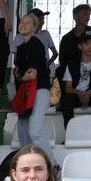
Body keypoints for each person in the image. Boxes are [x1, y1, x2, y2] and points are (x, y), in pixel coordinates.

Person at [13, 13, 54, 161]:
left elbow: (31, 73)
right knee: (23, 133)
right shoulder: (20, 47)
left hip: (39, 90)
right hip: (25, 92)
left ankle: (52, 164)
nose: (23, 24)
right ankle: (31, 162)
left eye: (27, 23)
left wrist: (21, 77)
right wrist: (21, 77)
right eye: (21, 22)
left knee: (34, 131)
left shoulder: (36, 44)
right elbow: (18, 73)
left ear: (35, 27)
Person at [60, 31, 91, 127]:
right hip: (76, 95)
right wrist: (79, 93)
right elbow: (68, 88)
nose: (90, 47)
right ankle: (70, 134)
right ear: (80, 46)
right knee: (66, 99)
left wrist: (89, 92)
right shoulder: (71, 65)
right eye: (86, 43)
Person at [57, 3, 91, 68]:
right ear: (75, 16)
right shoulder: (66, 38)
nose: (88, 17)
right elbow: (63, 60)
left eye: (89, 14)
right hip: (72, 74)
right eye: (85, 14)